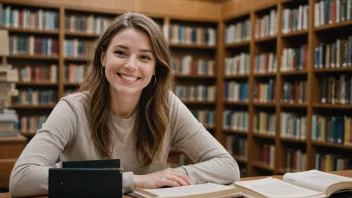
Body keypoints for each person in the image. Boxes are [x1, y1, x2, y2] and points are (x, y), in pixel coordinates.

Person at [9, 12, 240, 197]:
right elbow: (22, 178)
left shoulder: (167, 105)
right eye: (121, 52)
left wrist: (169, 176)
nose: (131, 65)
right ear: (103, 57)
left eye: (144, 57)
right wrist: (136, 180)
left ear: (155, 68)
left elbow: (227, 166)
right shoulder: (73, 109)